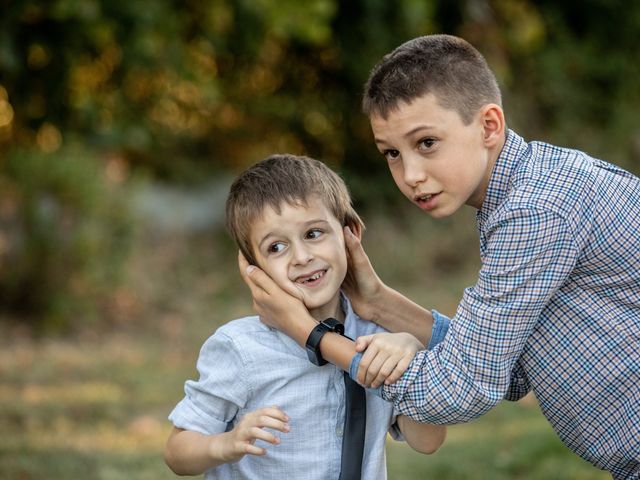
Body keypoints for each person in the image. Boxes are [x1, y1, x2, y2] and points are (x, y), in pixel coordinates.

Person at [238, 35, 640, 479]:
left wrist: (308, 332)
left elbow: (459, 389)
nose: (410, 175)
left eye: (426, 143)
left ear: (489, 126)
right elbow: (511, 369)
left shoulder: (535, 213)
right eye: (392, 153)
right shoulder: (529, 189)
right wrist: (377, 302)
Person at [164, 154, 446, 479]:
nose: (301, 257)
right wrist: (225, 444)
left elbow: (429, 442)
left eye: (313, 234)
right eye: (276, 247)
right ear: (252, 267)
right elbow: (177, 452)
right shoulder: (240, 348)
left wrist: (413, 355)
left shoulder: (380, 334)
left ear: (349, 233)